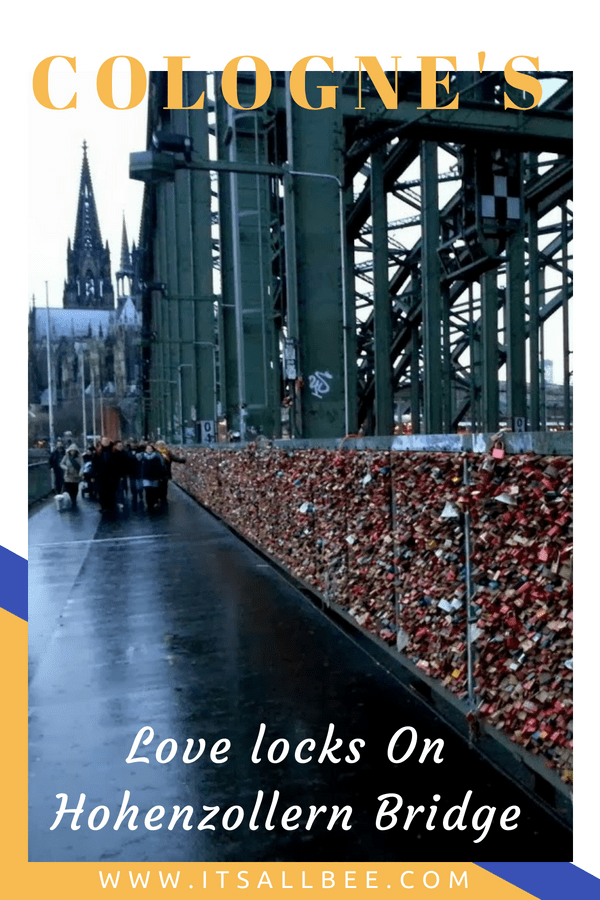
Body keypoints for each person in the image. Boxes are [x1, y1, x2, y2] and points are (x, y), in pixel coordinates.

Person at [154, 440, 186, 504]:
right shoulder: (155, 453)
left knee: (164, 486)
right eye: (160, 445)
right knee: (158, 486)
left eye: (162, 445)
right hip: (157, 473)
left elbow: (174, 458)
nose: (162, 446)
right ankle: (158, 498)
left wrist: (183, 460)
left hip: (165, 472)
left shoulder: (167, 452)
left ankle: (163, 498)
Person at [94, 437, 118, 512]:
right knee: (102, 492)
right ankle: (103, 506)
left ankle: (110, 506)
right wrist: (94, 474)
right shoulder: (98, 451)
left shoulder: (113, 451)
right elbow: (94, 463)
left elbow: (117, 463)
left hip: (111, 475)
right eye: (104, 441)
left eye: (106, 441)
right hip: (101, 475)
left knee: (111, 491)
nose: (105, 442)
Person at [140, 444, 166, 511]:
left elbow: (161, 466)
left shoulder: (157, 456)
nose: (148, 449)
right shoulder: (142, 456)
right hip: (146, 476)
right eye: (147, 448)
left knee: (154, 491)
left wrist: (161, 475)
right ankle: (149, 504)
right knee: (148, 491)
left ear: (152, 449)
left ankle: (154, 502)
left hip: (155, 476)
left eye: (150, 448)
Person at [60, 443, 82, 508]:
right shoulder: (66, 457)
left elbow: (82, 465)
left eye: (74, 451)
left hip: (76, 476)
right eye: (72, 451)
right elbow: (61, 463)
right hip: (68, 476)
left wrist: (81, 472)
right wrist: (65, 468)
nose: (73, 452)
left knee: (75, 489)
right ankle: (72, 499)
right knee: (69, 488)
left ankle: (74, 499)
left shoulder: (79, 457)